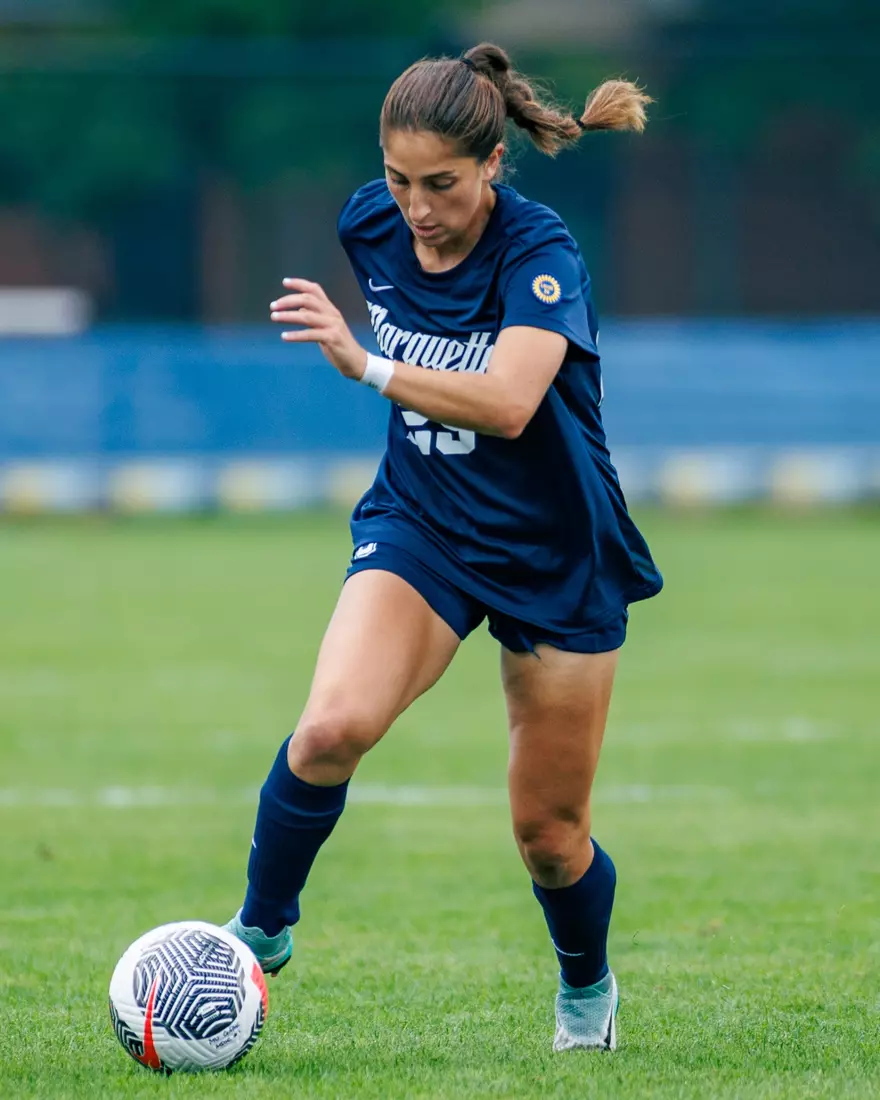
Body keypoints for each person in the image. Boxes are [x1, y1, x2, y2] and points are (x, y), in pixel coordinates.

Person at [224, 42, 663, 1053]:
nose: (417, 207)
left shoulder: (540, 253)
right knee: (329, 726)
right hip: (423, 521)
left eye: (443, 185)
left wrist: (366, 365)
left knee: (548, 838)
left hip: (557, 549)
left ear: (492, 166)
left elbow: (511, 403)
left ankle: (585, 985)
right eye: (398, 178)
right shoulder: (367, 222)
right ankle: (258, 929)